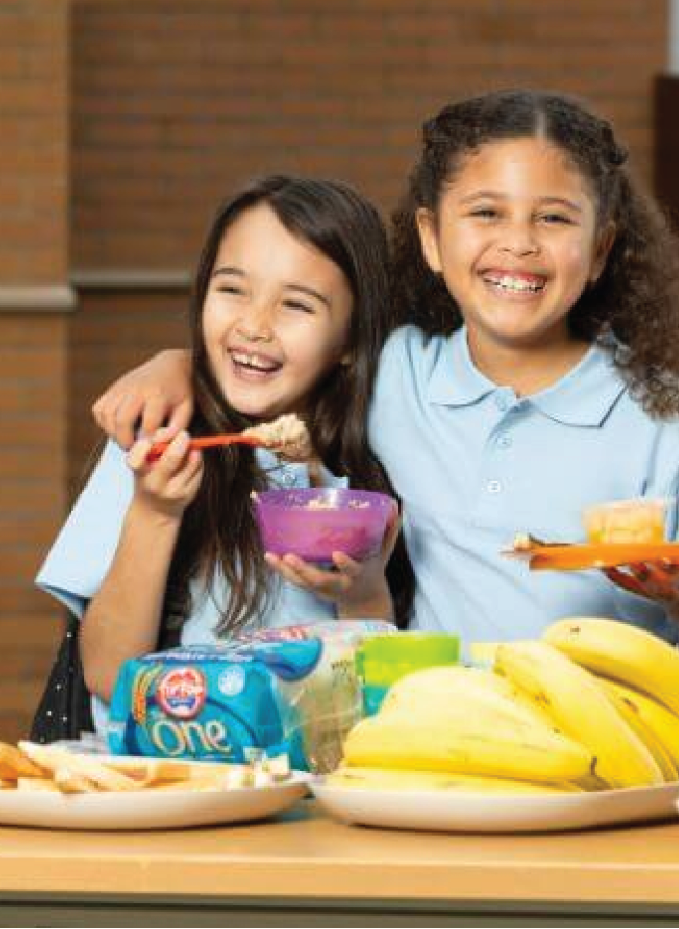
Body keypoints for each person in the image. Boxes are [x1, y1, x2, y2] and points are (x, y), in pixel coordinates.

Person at [90, 90, 679, 666]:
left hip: (594, 767)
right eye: (486, 213)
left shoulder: (675, 422)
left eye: (554, 218)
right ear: (430, 236)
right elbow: (277, 358)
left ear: (600, 249)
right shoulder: (390, 371)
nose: (518, 242)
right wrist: (175, 364)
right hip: (418, 757)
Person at [37, 176, 412, 736]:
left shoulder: (375, 468)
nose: (254, 326)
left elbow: (372, 692)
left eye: (297, 305)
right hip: (169, 780)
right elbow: (110, 673)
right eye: (232, 289)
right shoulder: (155, 446)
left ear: (352, 342)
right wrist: (155, 512)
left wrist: (363, 592)